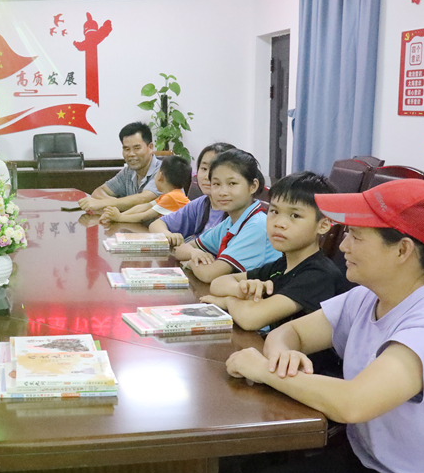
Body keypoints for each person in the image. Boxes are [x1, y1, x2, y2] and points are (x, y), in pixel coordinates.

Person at [224, 179, 424, 473]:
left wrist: (265, 370)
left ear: (402, 250)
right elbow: (292, 332)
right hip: (368, 464)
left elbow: (354, 403)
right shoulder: (367, 296)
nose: (343, 246)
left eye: (357, 236)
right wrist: (282, 355)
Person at [201, 171, 348, 331]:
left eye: (295, 215)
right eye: (274, 211)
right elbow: (218, 283)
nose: (279, 223)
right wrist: (241, 290)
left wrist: (227, 301)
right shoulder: (282, 265)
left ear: (323, 225)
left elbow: (250, 318)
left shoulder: (319, 275)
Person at [174, 149, 280, 283]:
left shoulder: (258, 226)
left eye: (232, 184)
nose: (222, 192)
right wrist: (194, 253)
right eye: (216, 184)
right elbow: (180, 250)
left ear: (253, 186)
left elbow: (209, 274)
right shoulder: (231, 222)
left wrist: (190, 263)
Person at [149, 142, 235, 247]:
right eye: (204, 168)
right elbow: (156, 224)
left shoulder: (237, 211)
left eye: (215, 169)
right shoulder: (201, 204)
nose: (207, 176)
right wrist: (168, 235)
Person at [77, 122, 162, 213]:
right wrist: (117, 204)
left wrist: (103, 203)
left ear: (150, 147)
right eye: (126, 149)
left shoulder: (163, 171)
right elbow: (98, 192)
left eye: (137, 148)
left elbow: (144, 199)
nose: (131, 154)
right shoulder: (128, 172)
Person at [99, 155, 192, 224]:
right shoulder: (168, 195)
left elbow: (143, 216)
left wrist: (119, 218)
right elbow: (143, 207)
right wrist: (115, 216)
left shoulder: (172, 197)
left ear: (161, 175)